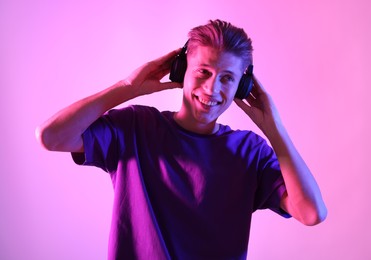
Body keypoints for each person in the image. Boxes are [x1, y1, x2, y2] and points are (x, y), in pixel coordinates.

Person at [36, 19, 327, 260]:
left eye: (227, 78)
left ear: (242, 86)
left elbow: (311, 213)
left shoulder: (250, 151)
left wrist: (274, 130)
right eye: (203, 71)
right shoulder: (136, 127)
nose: (213, 89)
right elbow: (51, 136)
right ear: (181, 70)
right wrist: (127, 87)